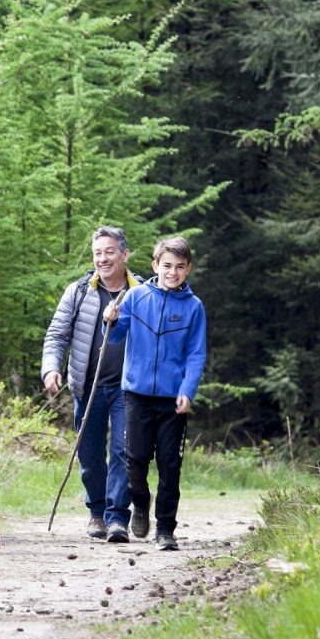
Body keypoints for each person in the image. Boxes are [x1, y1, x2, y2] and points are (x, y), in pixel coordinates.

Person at [103, 236, 206, 551]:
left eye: (179, 267)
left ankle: (166, 530)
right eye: (167, 266)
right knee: (134, 459)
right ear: (155, 266)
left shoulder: (194, 307)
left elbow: (196, 354)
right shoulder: (135, 297)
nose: (172, 272)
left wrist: (187, 390)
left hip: (173, 399)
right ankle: (140, 501)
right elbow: (118, 335)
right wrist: (112, 319)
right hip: (136, 393)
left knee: (169, 465)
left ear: (187, 269)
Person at [41, 226, 143, 542]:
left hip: (129, 389)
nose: (103, 259)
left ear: (124, 255)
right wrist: (50, 369)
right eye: (98, 253)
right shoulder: (79, 291)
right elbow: (57, 334)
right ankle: (97, 513)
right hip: (87, 387)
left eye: (110, 251)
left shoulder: (142, 293)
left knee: (124, 452)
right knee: (90, 456)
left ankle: (116, 519)